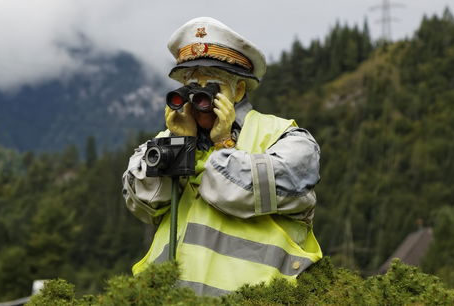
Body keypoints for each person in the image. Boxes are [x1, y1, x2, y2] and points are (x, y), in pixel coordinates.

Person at [122, 17, 323, 296]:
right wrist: (181, 144)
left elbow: (238, 195)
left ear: (238, 90)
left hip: (256, 300)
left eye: (211, 87)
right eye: (191, 86)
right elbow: (142, 203)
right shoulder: (167, 140)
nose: (198, 99)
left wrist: (223, 143)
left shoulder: (286, 139)